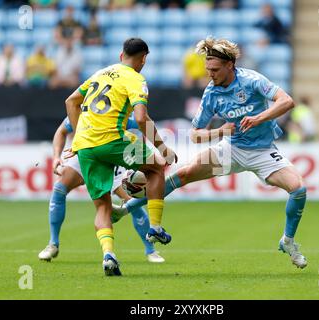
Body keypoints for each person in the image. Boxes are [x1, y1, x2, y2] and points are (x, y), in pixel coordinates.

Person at [114, 37, 308, 269]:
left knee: (298, 189)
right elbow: (195, 134)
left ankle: (288, 241)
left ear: (230, 65)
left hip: (262, 152)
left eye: (215, 70)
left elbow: (286, 101)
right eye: (208, 70)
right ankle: (125, 209)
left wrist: (259, 118)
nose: (210, 74)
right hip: (231, 150)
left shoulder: (252, 80)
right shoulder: (211, 94)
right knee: (183, 175)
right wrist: (220, 131)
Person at [65, 38, 177, 276]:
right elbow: (142, 118)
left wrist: (77, 138)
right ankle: (155, 227)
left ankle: (108, 255)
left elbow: (71, 101)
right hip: (113, 138)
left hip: (86, 145)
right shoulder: (136, 79)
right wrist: (162, 147)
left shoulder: (100, 73)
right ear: (144, 58)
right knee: (157, 167)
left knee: (103, 206)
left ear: (120, 55)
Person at [38, 116, 166, 264]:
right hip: (87, 151)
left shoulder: (121, 114)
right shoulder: (83, 110)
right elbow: (61, 130)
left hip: (113, 152)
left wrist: (143, 158)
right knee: (59, 188)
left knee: (131, 201)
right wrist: (56, 157)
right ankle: (53, 243)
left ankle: (150, 250)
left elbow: (141, 128)